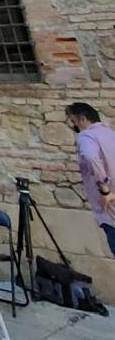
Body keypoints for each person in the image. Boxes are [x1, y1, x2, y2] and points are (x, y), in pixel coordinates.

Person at [65, 102, 115, 258]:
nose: (74, 126)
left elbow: (91, 157)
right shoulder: (110, 134)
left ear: (82, 119)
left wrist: (104, 190)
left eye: (74, 122)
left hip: (110, 209)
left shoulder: (86, 136)